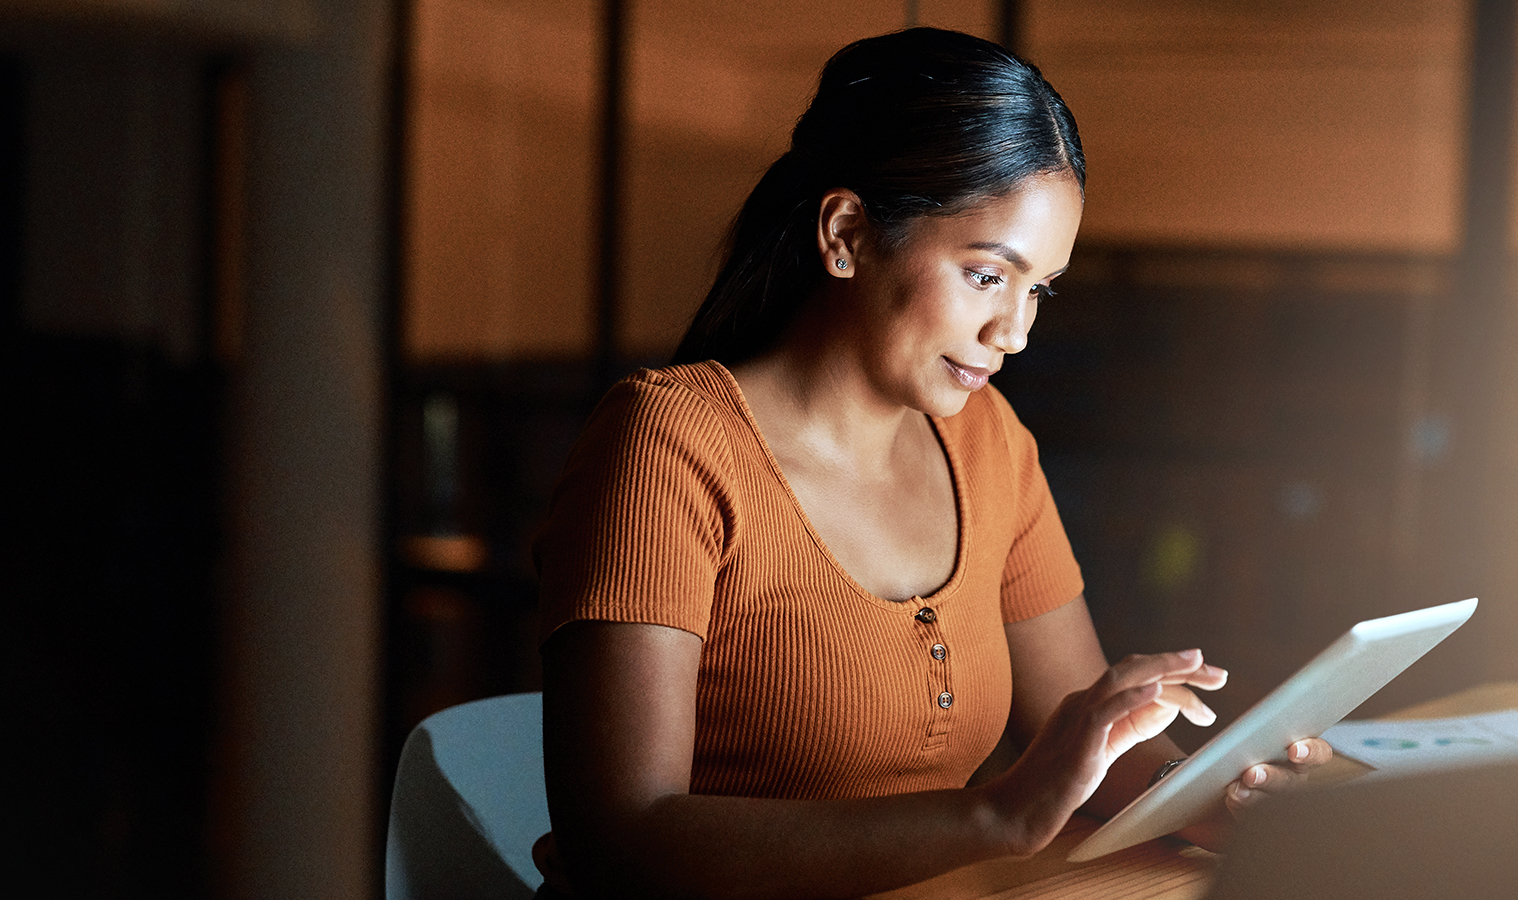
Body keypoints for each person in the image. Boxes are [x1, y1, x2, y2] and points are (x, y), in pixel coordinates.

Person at [531, 27, 1330, 899]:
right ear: (846, 234)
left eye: (1039, 290)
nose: (1014, 332)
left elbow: (1088, 757)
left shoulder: (989, 442)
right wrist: (993, 817)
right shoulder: (666, 448)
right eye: (988, 276)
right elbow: (619, 838)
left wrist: (1222, 796)